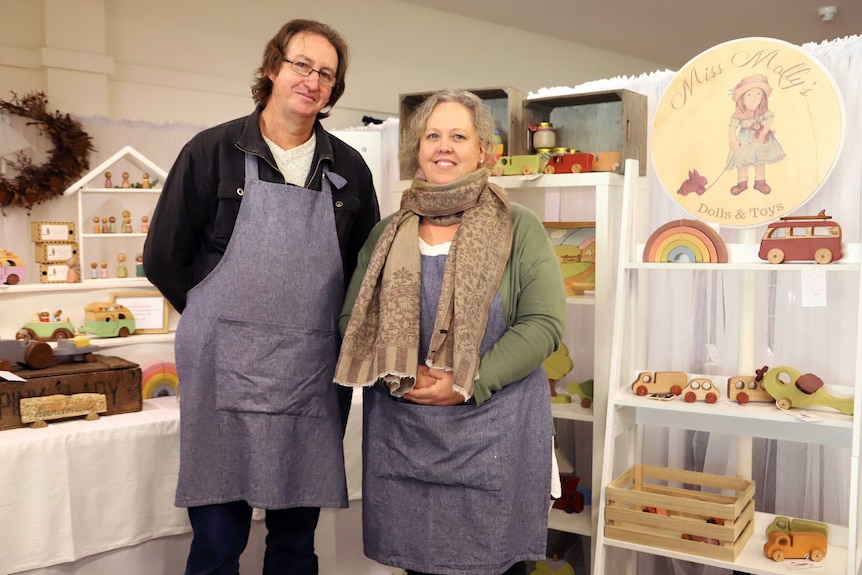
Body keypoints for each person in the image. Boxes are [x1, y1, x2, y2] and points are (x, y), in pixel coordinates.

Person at [142, 18, 380, 575]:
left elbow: (363, 272)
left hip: (311, 373)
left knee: (295, 545)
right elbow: (163, 259)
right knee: (218, 543)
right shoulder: (211, 153)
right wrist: (217, 318)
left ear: (333, 89)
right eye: (302, 65)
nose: (313, 80)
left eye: (327, 74)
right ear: (273, 67)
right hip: (223, 369)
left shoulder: (348, 169)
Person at [334, 89, 567, 575]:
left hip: (494, 437)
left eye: (458, 136)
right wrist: (395, 370)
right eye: (432, 135)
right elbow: (352, 321)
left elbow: (543, 325)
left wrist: (470, 381)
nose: (444, 146)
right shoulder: (387, 234)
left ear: (483, 151)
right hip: (406, 437)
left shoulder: (518, 228)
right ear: (417, 148)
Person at [725, 73, 785, 195]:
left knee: (760, 158)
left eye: (758, 94)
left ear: (763, 97)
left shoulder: (762, 110)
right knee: (741, 160)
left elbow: (770, 118)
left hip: (760, 139)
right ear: (742, 97)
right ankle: (742, 182)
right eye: (749, 94)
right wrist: (732, 139)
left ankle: (760, 181)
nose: (754, 98)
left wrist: (763, 132)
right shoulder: (740, 112)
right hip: (744, 139)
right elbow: (733, 125)